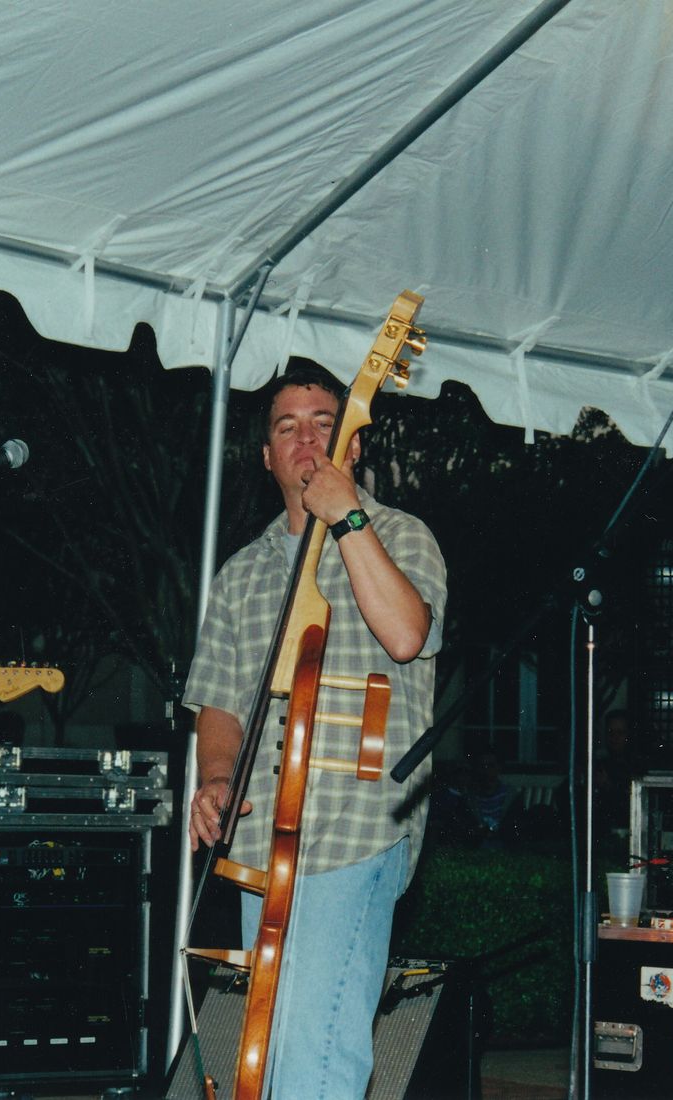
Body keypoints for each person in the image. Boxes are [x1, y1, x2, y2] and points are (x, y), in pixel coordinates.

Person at [184, 362, 447, 1098]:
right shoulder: (240, 574)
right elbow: (219, 706)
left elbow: (406, 635)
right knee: (266, 1058)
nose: (306, 441)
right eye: (288, 427)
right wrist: (215, 778)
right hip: (262, 836)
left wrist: (348, 518)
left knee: (316, 1056)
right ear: (266, 455)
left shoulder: (402, 536)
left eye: (324, 425)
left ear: (353, 444)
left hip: (355, 830)